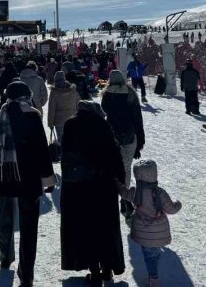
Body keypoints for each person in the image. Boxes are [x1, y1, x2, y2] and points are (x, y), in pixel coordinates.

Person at [0, 80, 54, 287]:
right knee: (29, 227)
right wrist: (48, 178)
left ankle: (4, 256)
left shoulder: (3, 114)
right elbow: (41, 150)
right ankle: (26, 274)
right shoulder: (32, 115)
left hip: (6, 176)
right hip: (28, 177)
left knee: (6, 217)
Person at [60, 101, 126, 286]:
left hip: (79, 187)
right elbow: (115, 154)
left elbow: (66, 156)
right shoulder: (102, 125)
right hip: (104, 186)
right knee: (105, 228)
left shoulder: (70, 124)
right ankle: (107, 269)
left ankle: (94, 271)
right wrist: (121, 181)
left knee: (85, 228)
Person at [119, 159, 182, 287]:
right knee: (154, 254)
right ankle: (153, 276)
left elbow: (124, 193)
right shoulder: (160, 192)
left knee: (149, 256)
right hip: (159, 232)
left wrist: (117, 185)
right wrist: (178, 204)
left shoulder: (136, 192)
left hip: (143, 233)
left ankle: (153, 278)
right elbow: (171, 209)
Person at [101, 70, 145, 220]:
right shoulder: (131, 94)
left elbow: (104, 111)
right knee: (125, 168)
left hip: (112, 136)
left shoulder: (106, 94)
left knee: (112, 167)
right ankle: (125, 200)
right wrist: (140, 142)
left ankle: (111, 195)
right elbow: (138, 119)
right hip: (129, 136)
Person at [47, 71, 79, 143]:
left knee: (61, 141)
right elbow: (78, 104)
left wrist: (50, 123)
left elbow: (51, 109)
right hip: (72, 119)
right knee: (72, 140)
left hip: (59, 121)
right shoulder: (73, 90)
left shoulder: (54, 92)